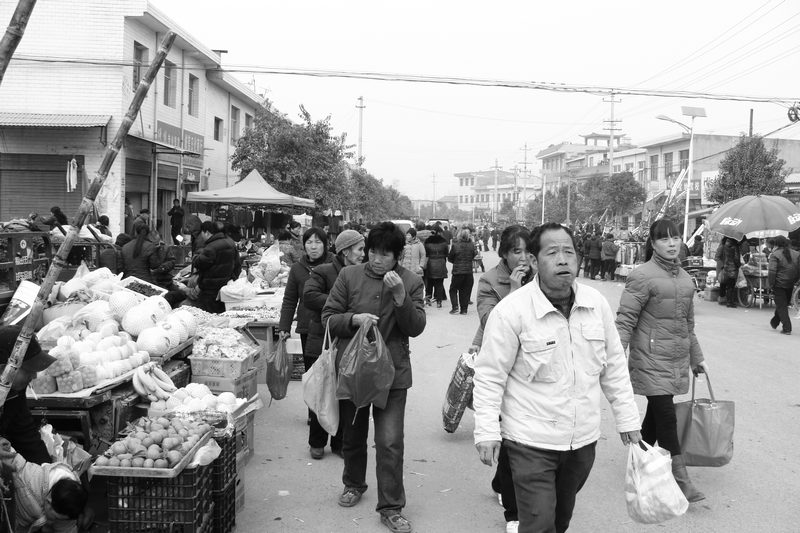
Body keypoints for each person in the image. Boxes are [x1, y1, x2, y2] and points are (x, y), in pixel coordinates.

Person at [473, 222, 641, 533]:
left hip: (582, 441)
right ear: (534, 261)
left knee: (560, 520)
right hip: (529, 441)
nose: (563, 260)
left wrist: (628, 418)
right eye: (552, 253)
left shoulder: (596, 303)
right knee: (538, 523)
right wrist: (486, 431)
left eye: (569, 252)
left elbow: (614, 365)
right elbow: (489, 375)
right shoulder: (511, 311)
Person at [321, 222, 425, 533]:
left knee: (390, 441)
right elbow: (328, 317)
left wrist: (400, 296)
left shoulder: (411, 281)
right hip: (354, 371)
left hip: (393, 374)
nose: (377, 260)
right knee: (353, 435)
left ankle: (391, 507)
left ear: (398, 256)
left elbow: (416, 327)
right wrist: (354, 319)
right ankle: (353, 483)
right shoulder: (349, 275)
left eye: (385, 255)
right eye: (373, 252)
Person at [615, 218, 708, 504]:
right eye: (665, 239)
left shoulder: (685, 279)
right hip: (650, 357)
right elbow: (626, 318)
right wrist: (615, 355)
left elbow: (687, 324)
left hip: (675, 356)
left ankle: (639, 462)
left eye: (676, 238)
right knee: (666, 416)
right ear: (653, 244)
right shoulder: (642, 275)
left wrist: (696, 358)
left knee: (656, 418)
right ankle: (681, 479)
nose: (672, 243)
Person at [469, 225, 533, 532]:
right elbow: (489, 320)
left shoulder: (541, 277)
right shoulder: (490, 280)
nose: (523, 258)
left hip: (533, 369)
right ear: (504, 254)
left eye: (528, 251)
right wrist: (514, 292)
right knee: (510, 435)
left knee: (523, 434)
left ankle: (500, 481)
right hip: (501, 366)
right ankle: (513, 511)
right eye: (516, 251)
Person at [303, 230, 365, 459]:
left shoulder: (362, 273)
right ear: (346, 251)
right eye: (359, 249)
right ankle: (317, 442)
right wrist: (340, 305)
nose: (363, 254)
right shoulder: (324, 271)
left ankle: (339, 443)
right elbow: (309, 296)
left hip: (349, 342)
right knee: (322, 393)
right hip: (324, 340)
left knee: (343, 395)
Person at [277, 227, 333, 437]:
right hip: (307, 327)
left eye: (318, 242)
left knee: (331, 372)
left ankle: (331, 412)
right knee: (311, 373)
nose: (313, 247)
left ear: (325, 244)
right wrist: (284, 327)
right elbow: (290, 299)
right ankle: (313, 412)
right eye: (309, 242)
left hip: (332, 326)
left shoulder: (334, 265)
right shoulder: (298, 268)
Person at [0, 437, 90, 532]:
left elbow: (65, 527)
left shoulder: (67, 506)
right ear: (48, 502)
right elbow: (13, 460)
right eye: (55, 518)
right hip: (13, 516)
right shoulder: (28, 476)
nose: (53, 521)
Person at [0, 326, 57, 464]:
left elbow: (24, 433)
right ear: (3, 369)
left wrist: (48, 470)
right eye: (28, 370)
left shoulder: (14, 389)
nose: (34, 376)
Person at [192, 221, 238, 313]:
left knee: (207, 316)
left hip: (210, 289)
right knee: (221, 314)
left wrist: (196, 256)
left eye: (202, 233)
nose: (201, 237)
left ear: (207, 232)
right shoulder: (231, 242)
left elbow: (199, 263)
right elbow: (237, 264)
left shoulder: (211, 247)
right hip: (226, 288)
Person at [768, 235, 799, 334]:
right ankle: (775, 321)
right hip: (791, 283)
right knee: (782, 304)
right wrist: (796, 281)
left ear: (776, 244)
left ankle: (787, 328)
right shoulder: (796, 254)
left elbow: (772, 271)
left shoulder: (775, 255)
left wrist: (771, 284)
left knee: (782, 306)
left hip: (779, 284)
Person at [447, 229, 477, 315]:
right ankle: (464, 310)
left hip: (458, 272)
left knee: (453, 289)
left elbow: (450, 258)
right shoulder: (471, 245)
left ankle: (455, 307)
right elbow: (474, 255)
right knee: (465, 291)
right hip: (468, 272)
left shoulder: (455, 245)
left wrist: (456, 262)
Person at [423, 225, 449, 308]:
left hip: (430, 263)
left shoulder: (427, 241)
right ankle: (439, 302)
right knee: (439, 284)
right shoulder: (444, 241)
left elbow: (425, 253)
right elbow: (446, 253)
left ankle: (428, 301)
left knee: (429, 283)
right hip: (441, 263)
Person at [715, 236, 741, 308]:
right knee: (731, 286)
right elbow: (736, 258)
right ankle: (730, 302)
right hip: (733, 269)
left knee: (724, 283)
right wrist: (739, 265)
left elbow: (717, 256)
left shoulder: (723, 246)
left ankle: (723, 299)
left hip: (725, 268)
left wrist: (722, 265)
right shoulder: (735, 246)